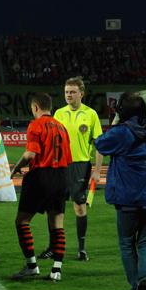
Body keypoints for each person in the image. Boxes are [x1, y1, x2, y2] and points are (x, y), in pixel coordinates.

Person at [94, 92, 146, 290]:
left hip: (128, 199)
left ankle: (135, 288)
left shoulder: (122, 132)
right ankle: (145, 281)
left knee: (127, 243)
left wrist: (116, 121)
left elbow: (100, 144)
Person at [38, 76, 103, 261]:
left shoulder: (91, 114)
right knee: (54, 208)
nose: (69, 95)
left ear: (81, 94)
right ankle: (53, 248)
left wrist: (97, 171)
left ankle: (82, 249)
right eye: (67, 92)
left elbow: (99, 144)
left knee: (80, 208)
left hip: (81, 166)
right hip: (59, 166)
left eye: (73, 92)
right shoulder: (59, 114)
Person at [10, 93, 72, 281]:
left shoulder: (36, 125)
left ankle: (32, 266)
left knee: (22, 221)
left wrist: (16, 168)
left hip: (41, 176)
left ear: (35, 107)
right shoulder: (61, 127)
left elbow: (30, 154)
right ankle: (56, 270)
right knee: (57, 224)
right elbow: (68, 157)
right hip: (62, 176)